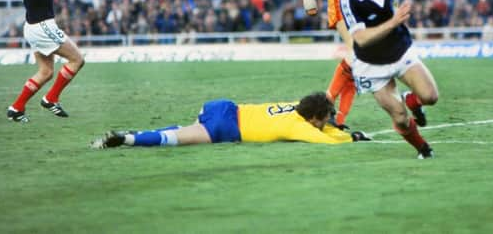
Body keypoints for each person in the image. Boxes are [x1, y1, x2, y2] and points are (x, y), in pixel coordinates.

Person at [340, 0, 439, 159]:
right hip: (371, 64)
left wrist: (399, 20)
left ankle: (413, 100)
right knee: (400, 117)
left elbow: (394, 10)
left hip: (400, 51)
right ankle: (424, 149)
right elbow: (360, 39)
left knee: (430, 97)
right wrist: (393, 22)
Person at [90, 92, 372, 148]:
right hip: (227, 127)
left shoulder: (292, 108)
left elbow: (321, 128)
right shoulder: (296, 126)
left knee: (182, 130)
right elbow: (323, 139)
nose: (326, 124)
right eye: (324, 120)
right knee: (178, 139)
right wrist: (351, 137)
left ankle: (131, 133)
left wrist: (334, 126)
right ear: (313, 118)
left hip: (223, 106)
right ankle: (127, 139)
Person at [6, 0, 85, 122]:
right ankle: (51, 98)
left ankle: (16, 108)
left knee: (46, 72)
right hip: (42, 26)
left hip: (34, 26)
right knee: (77, 60)